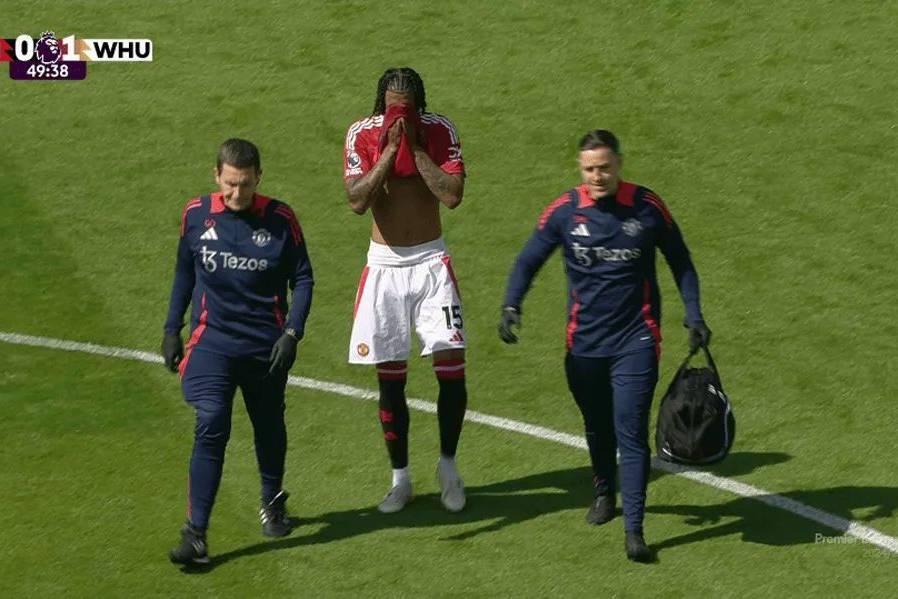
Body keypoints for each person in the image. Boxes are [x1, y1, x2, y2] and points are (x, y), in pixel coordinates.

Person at [498, 129, 711, 562]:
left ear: (619, 165)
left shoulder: (648, 207)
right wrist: (511, 304)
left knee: (630, 431)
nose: (598, 176)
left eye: (605, 168)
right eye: (590, 169)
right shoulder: (564, 211)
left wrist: (694, 314)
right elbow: (528, 259)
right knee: (597, 424)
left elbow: (681, 260)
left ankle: (635, 530)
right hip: (584, 344)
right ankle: (602, 490)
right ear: (581, 169)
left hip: (636, 339)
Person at [161, 138, 314, 565]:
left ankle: (272, 499)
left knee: (268, 425)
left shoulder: (281, 220)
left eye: (245, 184)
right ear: (216, 176)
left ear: (258, 178)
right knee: (211, 420)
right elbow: (184, 272)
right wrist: (172, 329)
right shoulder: (196, 215)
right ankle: (196, 533)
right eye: (230, 183)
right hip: (212, 343)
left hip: (265, 347)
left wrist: (292, 333)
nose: (237, 193)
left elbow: (303, 278)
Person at [343, 67, 468, 514]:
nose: (401, 115)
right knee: (390, 379)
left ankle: (448, 466)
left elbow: (452, 195)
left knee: (452, 367)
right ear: (382, 104)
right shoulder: (361, 133)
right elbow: (357, 201)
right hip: (385, 268)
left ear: (420, 105)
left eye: (408, 108)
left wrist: (414, 150)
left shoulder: (439, 130)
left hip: (432, 264)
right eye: (394, 107)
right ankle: (400, 479)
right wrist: (389, 152)